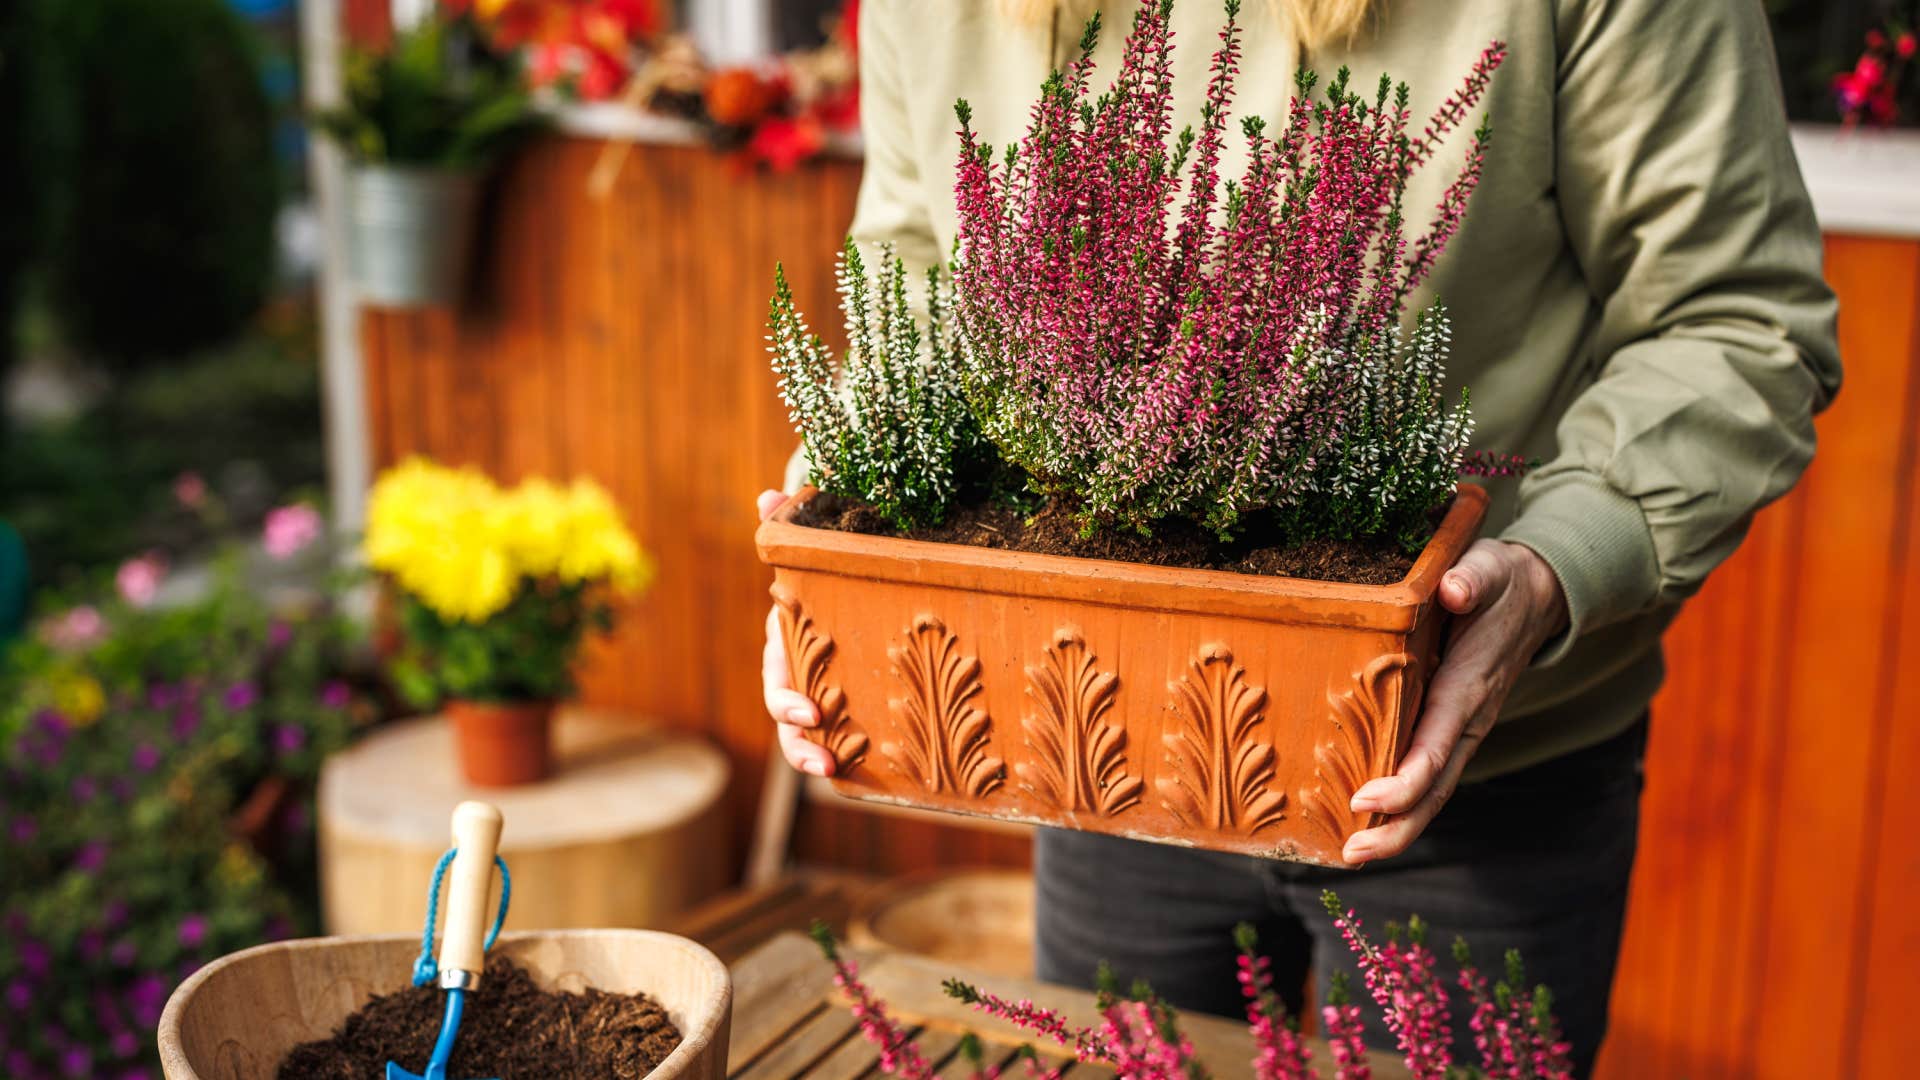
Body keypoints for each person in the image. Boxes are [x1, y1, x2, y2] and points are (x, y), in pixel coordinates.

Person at [759, 0, 1841, 1071]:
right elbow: (914, 283)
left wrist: (1559, 562)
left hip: (1478, 770)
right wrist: (835, 543)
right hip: (1101, 741)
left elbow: (1736, 320)